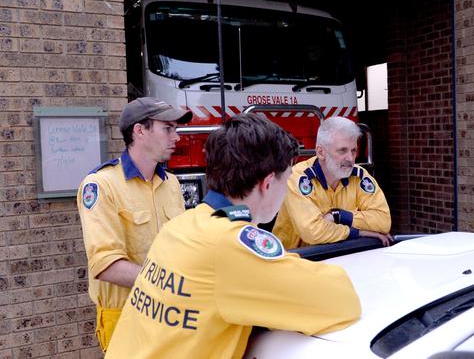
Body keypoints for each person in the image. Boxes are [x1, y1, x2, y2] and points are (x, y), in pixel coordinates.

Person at [105, 114, 361, 358]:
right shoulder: (231, 246)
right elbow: (342, 301)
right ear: (268, 183)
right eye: (287, 181)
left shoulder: (182, 227)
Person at [77, 97, 192, 351]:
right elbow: (105, 264)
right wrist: (171, 285)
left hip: (169, 313)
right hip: (124, 315)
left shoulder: (171, 183)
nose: (177, 137)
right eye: (168, 129)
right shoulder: (101, 185)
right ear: (140, 131)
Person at [272, 116, 392, 249]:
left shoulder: (360, 175)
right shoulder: (297, 177)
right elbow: (313, 232)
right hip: (296, 259)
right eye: (342, 150)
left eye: (353, 150)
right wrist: (358, 232)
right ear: (321, 152)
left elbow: (384, 221)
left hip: (343, 255)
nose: (350, 158)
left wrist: (339, 216)